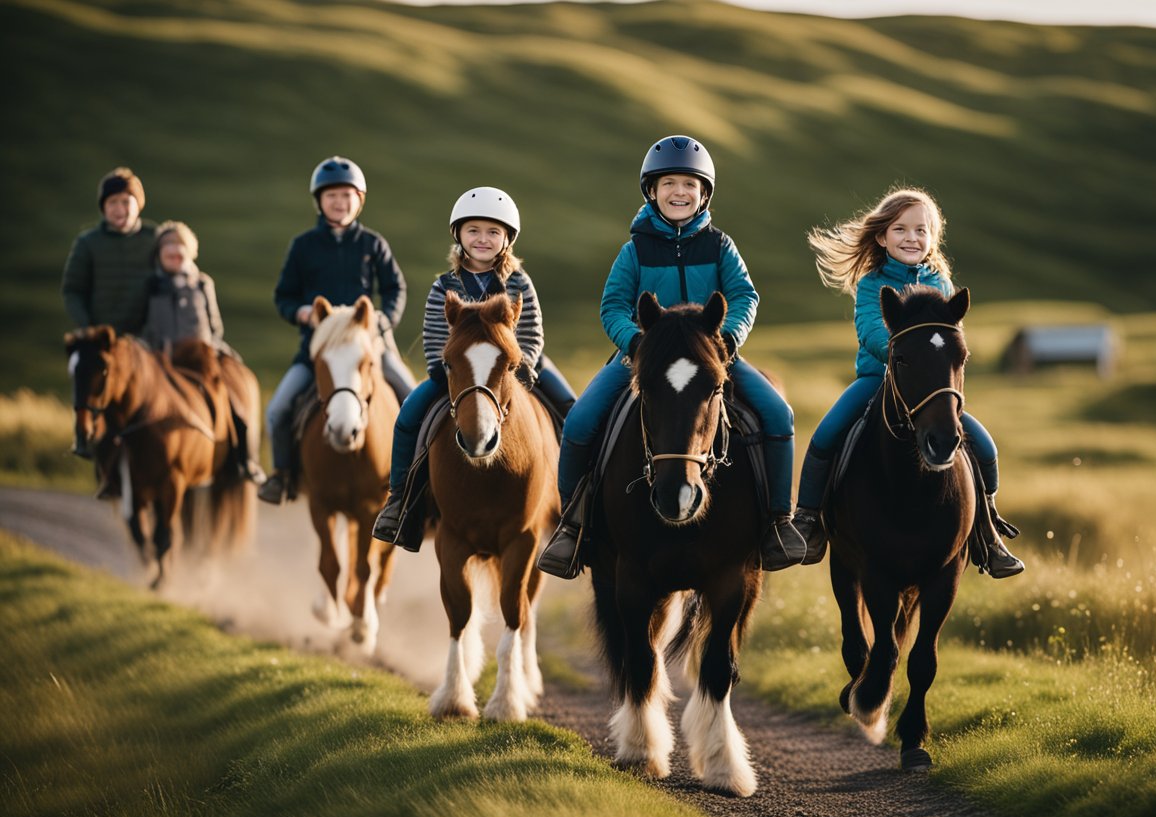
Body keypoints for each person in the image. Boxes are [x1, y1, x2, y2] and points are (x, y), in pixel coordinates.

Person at [537, 135, 806, 577]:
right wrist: (635, 344)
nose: (679, 192)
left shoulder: (720, 245)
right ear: (652, 191)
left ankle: (778, 522)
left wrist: (728, 338)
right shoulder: (635, 250)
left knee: (778, 414)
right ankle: (572, 528)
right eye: (669, 184)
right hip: (643, 360)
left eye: (689, 184)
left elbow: (744, 296)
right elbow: (613, 306)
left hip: (712, 357)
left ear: (704, 194)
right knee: (582, 420)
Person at [791, 186, 1024, 578]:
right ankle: (808, 521)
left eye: (921, 230)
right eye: (901, 229)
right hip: (876, 378)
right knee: (826, 434)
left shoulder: (942, 284)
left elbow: (950, 341)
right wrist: (904, 357)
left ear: (933, 238)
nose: (911, 238)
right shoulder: (871, 284)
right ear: (882, 237)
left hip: (931, 391)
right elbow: (870, 330)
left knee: (984, 446)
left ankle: (988, 533)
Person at [371, 186, 577, 545]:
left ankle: (574, 508)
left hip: (515, 371)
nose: (483, 239)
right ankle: (401, 502)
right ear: (459, 235)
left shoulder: (519, 283)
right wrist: (445, 370)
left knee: (571, 411)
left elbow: (531, 336)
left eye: (493, 232)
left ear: (506, 239)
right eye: (474, 231)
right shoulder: (443, 286)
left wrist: (521, 367)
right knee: (408, 418)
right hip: (458, 373)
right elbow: (436, 339)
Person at [259, 156, 413, 505]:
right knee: (278, 409)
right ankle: (283, 476)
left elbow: (395, 290)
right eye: (331, 197)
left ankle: (418, 481)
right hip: (319, 351)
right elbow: (283, 295)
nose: (339, 203)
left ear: (359, 200)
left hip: (371, 348)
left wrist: (382, 320)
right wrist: (298, 311)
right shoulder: (303, 246)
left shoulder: (373, 244)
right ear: (319, 201)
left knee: (413, 399)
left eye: (346, 196)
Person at [142, 220, 266, 484]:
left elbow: (214, 324)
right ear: (160, 255)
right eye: (169, 252)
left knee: (235, 403)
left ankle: (246, 460)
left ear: (190, 254)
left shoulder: (202, 283)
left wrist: (209, 347)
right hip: (163, 361)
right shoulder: (150, 286)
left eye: (180, 252)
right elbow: (145, 326)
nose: (175, 257)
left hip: (201, 357)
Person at [62, 166, 157, 336]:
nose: (119, 209)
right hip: (100, 340)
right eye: (112, 202)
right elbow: (73, 290)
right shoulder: (87, 243)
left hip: (147, 341)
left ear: (139, 204)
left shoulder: (155, 240)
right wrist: (89, 328)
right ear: (103, 207)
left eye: (126, 201)